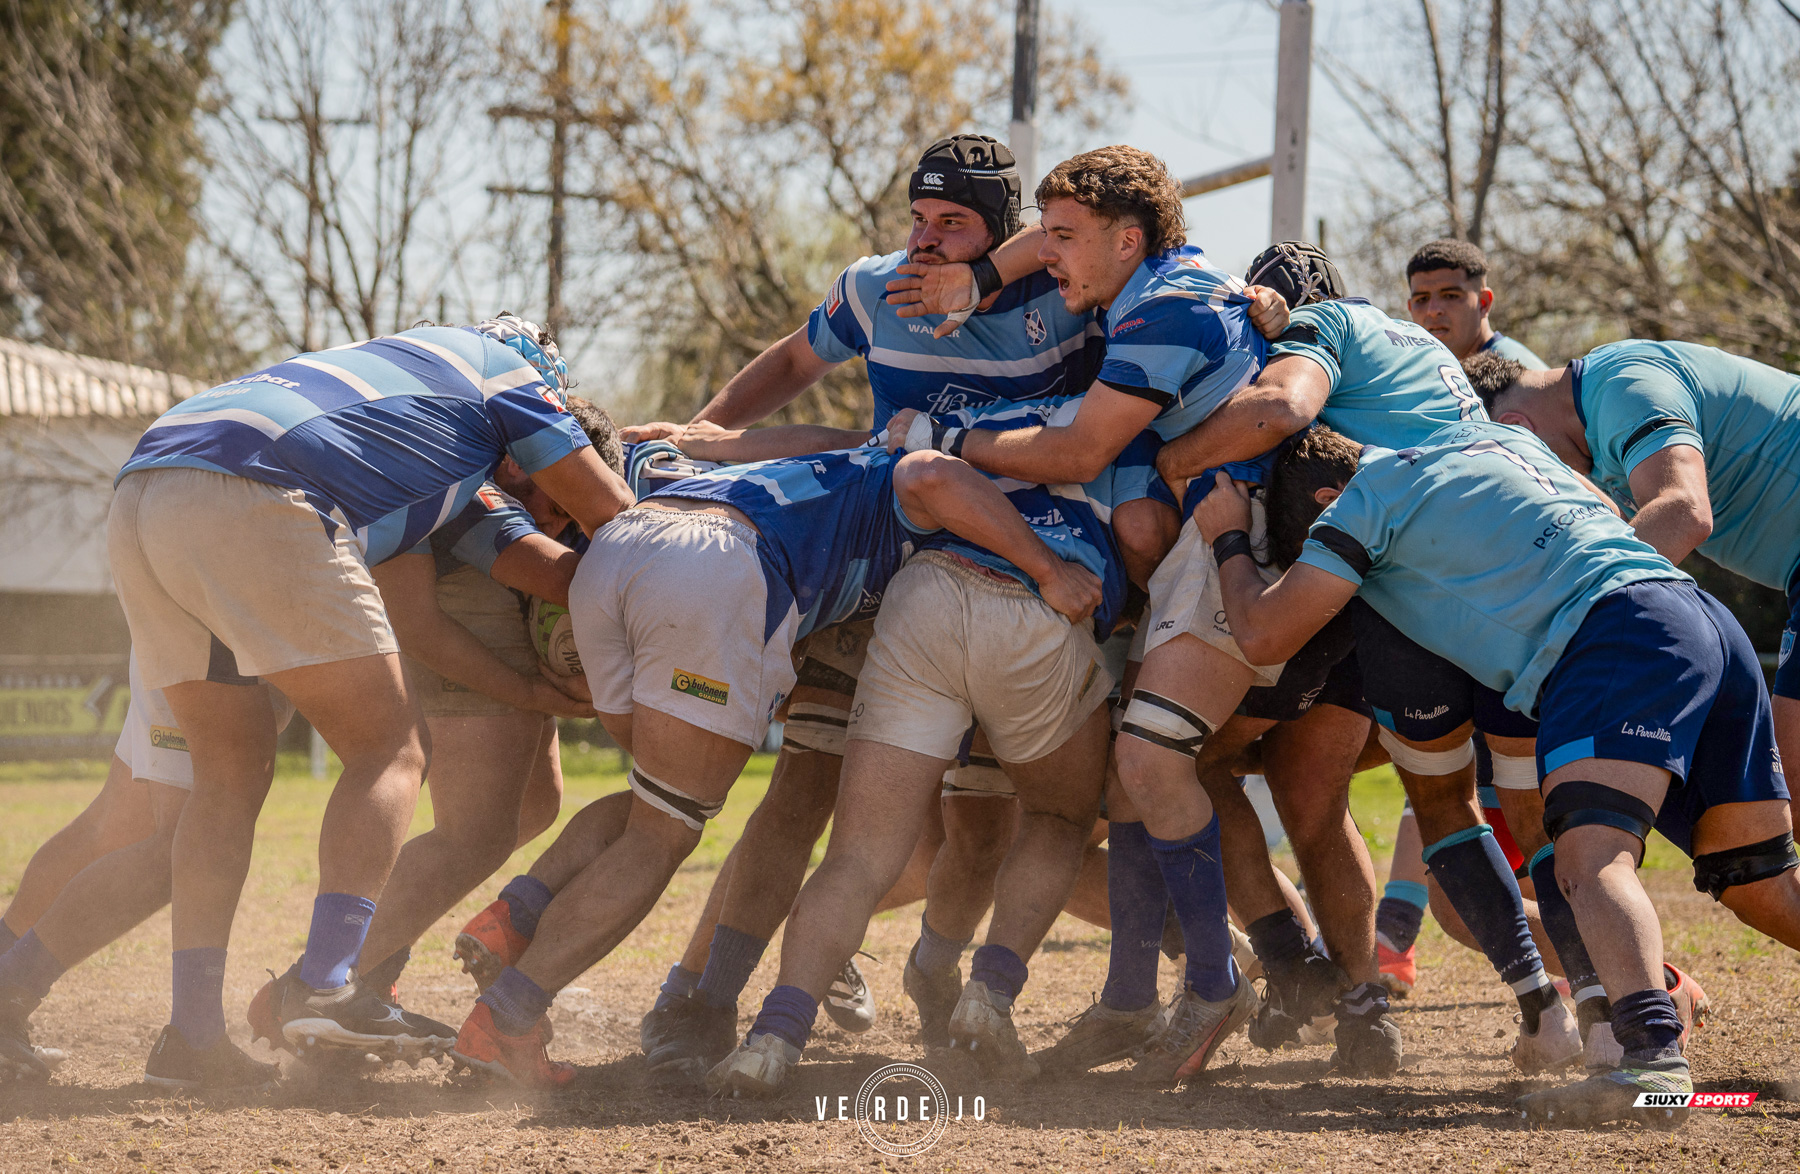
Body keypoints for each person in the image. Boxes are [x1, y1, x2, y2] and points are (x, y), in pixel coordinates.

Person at [615, 136, 1120, 1067]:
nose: (926, 242)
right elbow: (789, 365)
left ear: (1003, 232)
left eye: (953, 224)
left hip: (1018, 586)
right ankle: (698, 994)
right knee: (803, 791)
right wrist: (711, 430)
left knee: (986, 822)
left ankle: (954, 978)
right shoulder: (874, 287)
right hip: (880, 576)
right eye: (918, 220)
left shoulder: (1069, 293)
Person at [446, 438, 1103, 1088]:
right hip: (719, 568)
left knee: (656, 799)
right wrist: (1045, 566)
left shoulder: (782, 463)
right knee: (666, 829)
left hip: (618, 551)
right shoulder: (903, 475)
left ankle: (517, 912)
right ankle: (508, 1019)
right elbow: (934, 476)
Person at [1198, 421, 1798, 1127]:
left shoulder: (1362, 501)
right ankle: (1648, 1057)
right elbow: (1604, 515)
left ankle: (1652, 1062)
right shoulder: (1497, 437)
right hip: (1696, 612)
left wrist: (1228, 537)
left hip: (1611, 637)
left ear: (1330, 498)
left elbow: (1264, 631)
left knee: (1590, 856)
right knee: (1758, 880)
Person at [104, 313, 633, 1089]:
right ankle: (325, 984)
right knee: (390, 749)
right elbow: (612, 512)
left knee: (227, 778)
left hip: (148, 479)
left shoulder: (422, 439)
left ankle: (191, 1037)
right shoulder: (507, 374)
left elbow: (546, 566)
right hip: (256, 488)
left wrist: (537, 684)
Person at [1154, 266, 1598, 1076]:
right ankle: (1570, 1011)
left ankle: (1300, 961)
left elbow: (1281, 411)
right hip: (1474, 596)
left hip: (1361, 589)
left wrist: (1171, 462)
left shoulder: (1320, 335)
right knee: (1390, 808)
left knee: (1189, 760)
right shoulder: (1421, 352)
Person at [703, 391, 1140, 1095]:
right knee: (1059, 820)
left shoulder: (968, 421)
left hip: (922, 601)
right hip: (1035, 611)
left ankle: (774, 1036)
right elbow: (1148, 532)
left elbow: (832, 450)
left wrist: (712, 441)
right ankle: (988, 994)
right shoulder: (1106, 432)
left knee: (857, 858)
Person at [245, 402, 626, 1056]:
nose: (554, 522)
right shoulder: (447, 469)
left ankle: (360, 976)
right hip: (459, 599)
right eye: (550, 500)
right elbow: (418, 622)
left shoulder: (490, 465)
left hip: (481, 590)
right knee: (473, 832)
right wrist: (538, 688)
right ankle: (315, 987)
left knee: (535, 805)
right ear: (523, 460)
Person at [1468, 341, 1800, 838]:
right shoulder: (1595, 442)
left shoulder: (1624, 388)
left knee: (1792, 776)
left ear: (1517, 430)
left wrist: (1564, 628)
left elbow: (1684, 511)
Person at [0, 656, 291, 1083]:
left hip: (177, 626)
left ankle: (8, 979)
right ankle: (195, 1035)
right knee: (180, 846)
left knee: (108, 829)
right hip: (209, 635)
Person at [1404, 239, 1547, 368]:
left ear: (1483, 303)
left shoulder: (1517, 374)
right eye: (1422, 299)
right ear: (1410, 308)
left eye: (1450, 296)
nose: (1433, 310)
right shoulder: (1425, 374)